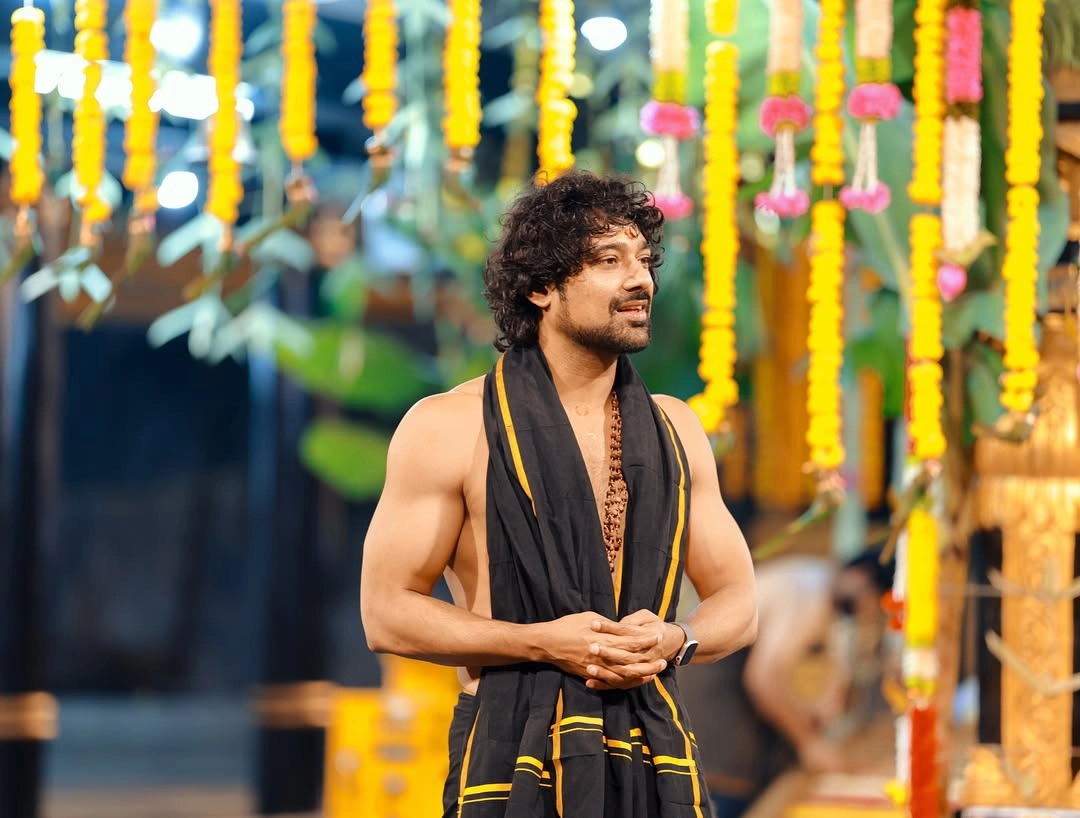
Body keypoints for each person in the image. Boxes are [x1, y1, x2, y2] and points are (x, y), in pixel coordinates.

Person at [359, 171, 758, 817]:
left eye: (643, 261)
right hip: (511, 747)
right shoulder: (450, 426)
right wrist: (542, 642)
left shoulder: (676, 427)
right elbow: (385, 613)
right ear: (542, 287)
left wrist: (675, 640)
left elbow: (739, 601)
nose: (641, 281)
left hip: (652, 742)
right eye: (609, 261)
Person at [677, 549, 896, 818]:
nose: (868, 612)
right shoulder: (811, 588)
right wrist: (809, 744)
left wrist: (804, 716)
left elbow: (776, 675)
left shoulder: (815, 582)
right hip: (714, 694)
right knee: (728, 796)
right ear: (860, 579)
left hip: (727, 688)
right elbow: (764, 680)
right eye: (874, 601)